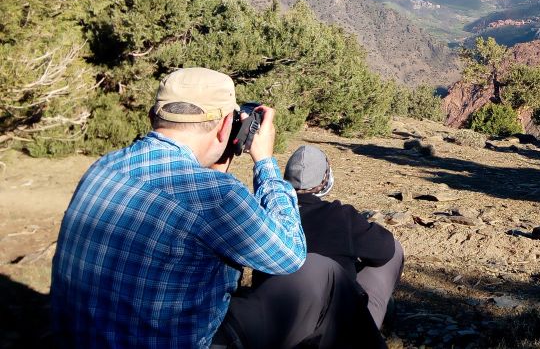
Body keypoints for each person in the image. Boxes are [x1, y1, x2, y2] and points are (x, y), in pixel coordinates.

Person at [50, 67, 372, 349]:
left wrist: (216, 166)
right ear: (225, 127)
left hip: (81, 337)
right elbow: (289, 255)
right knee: (323, 273)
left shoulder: (104, 167)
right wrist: (265, 161)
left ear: (154, 117)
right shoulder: (216, 196)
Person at [278, 145, 405, 330]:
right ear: (324, 180)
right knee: (393, 250)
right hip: (335, 328)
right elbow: (384, 249)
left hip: (277, 322)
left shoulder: (270, 215)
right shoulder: (339, 216)